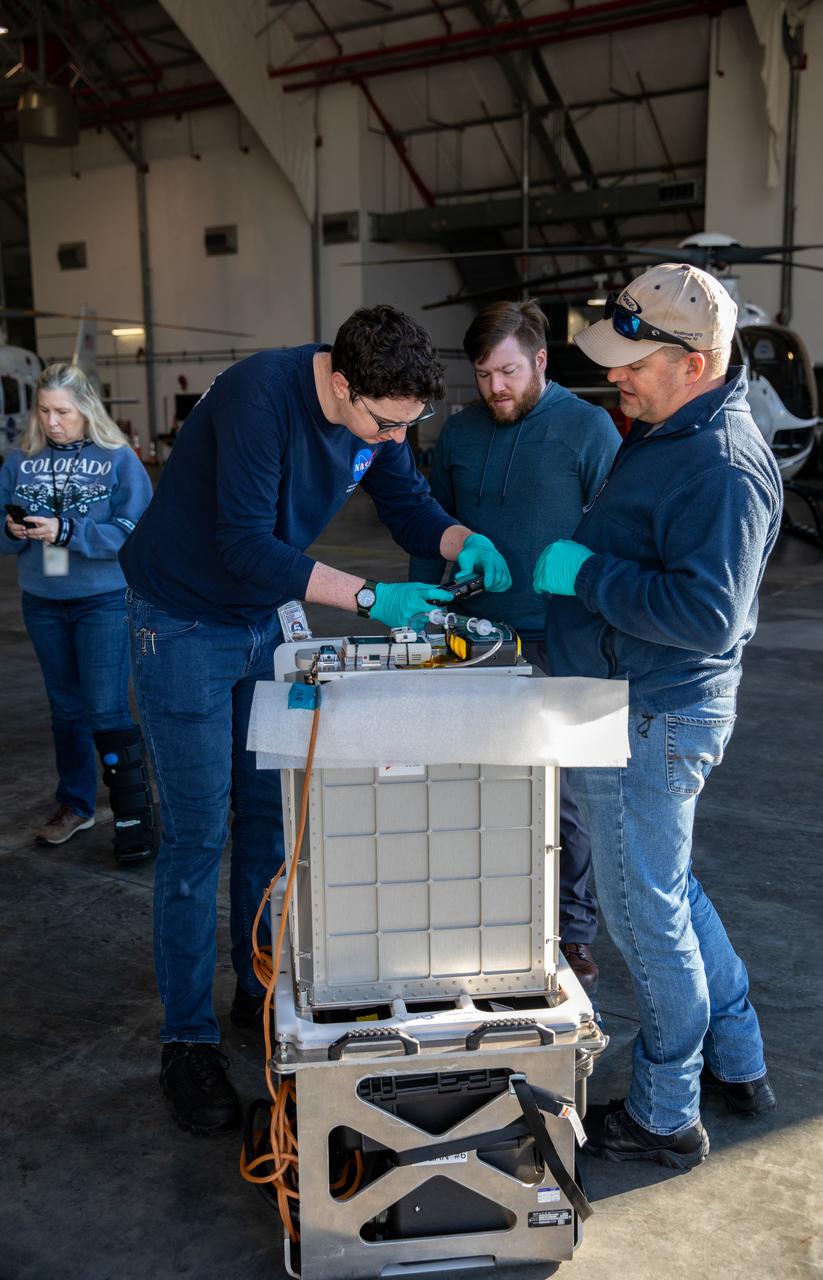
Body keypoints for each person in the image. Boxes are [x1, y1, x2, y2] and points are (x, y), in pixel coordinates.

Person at [119, 304, 513, 1135]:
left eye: (413, 422)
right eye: (386, 422)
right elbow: (244, 546)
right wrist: (371, 596)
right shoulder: (258, 399)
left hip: (262, 624)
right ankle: (185, 1041)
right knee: (197, 836)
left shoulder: (376, 417)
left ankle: (257, 988)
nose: (397, 437)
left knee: (268, 819)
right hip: (185, 620)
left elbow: (404, 504)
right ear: (340, 383)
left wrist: (457, 538)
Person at [533, 263, 782, 1168]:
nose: (617, 377)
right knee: (666, 892)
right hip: (629, 699)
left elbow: (707, 615)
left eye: (635, 362)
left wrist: (585, 577)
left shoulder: (720, 465)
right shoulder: (676, 425)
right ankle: (738, 1053)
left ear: (697, 361)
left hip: (653, 713)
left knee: (645, 919)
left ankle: (664, 1112)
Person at [410, 299, 621, 992]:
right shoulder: (462, 432)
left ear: (538, 360)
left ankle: (573, 928)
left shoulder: (587, 429)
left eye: (506, 371)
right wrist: (423, 607)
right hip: (475, 635)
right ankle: (489, 909)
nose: (494, 388)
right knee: (474, 779)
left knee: (560, 791)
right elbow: (427, 523)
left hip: (562, 639)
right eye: (482, 375)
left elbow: (618, 535)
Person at [0, 363, 156, 864]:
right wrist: (13, 530)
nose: (52, 421)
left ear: (86, 408)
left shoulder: (118, 459)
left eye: (63, 411)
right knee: (64, 709)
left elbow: (135, 531)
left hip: (104, 600)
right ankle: (75, 804)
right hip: (42, 600)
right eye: (44, 410)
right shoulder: (18, 461)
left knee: (106, 709)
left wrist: (68, 532)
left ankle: (133, 815)